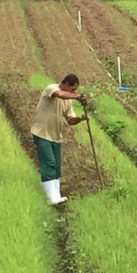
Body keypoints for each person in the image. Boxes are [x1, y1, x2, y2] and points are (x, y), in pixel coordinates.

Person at [31, 73, 87, 205]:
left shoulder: (68, 101)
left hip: (56, 136)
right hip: (41, 133)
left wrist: (80, 118)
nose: (74, 92)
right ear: (66, 84)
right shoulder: (51, 88)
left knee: (56, 167)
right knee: (49, 163)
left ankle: (56, 195)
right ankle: (51, 197)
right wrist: (77, 97)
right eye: (73, 89)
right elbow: (60, 94)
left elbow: (70, 120)